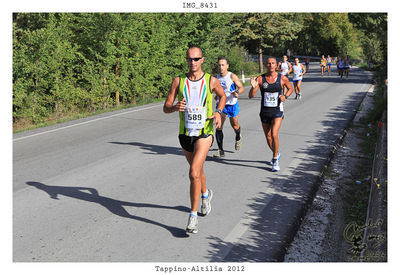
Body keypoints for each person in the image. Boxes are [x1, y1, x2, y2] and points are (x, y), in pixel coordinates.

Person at [163, 46, 227, 234]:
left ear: (202, 60)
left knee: (193, 172)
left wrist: (218, 112)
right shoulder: (178, 81)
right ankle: (206, 195)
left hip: (204, 132)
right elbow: (166, 107)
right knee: (197, 172)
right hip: (185, 133)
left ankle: (192, 217)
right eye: (190, 59)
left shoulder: (211, 80)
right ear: (186, 60)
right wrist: (175, 107)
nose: (193, 63)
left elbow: (222, 97)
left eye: (196, 59)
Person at [249, 57, 294, 172]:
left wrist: (285, 96)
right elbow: (250, 96)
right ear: (266, 65)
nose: (271, 65)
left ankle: (275, 160)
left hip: (277, 111)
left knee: (274, 134)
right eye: (268, 63)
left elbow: (290, 89)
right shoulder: (260, 79)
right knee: (268, 137)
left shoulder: (282, 78)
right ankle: (276, 152)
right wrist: (253, 87)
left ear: (276, 65)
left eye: (273, 63)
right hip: (264, 112)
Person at [213, 56, 245, 158]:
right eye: (219, 65)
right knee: (218, 127)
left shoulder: (232, 76)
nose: (221, 67)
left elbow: (241, 88)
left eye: (223, 65)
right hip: (221, 105)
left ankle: (238, 136)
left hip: (232, 104)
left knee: (234, 125)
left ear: (227, 66)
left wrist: (237, 92)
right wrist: (216, 96)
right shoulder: (216, 77)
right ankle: (221, 150)